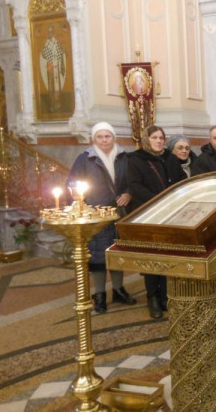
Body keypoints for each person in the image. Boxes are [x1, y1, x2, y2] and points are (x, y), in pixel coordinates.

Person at [67, 122, 136, 313]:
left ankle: (118, 290)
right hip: (95, 215)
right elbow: (72, 182)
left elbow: (133, 181)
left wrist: (129, 193)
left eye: (107, 136)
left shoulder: (124, 157)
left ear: (113, 138)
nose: (104, 140)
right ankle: (99, 294)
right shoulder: (85, 159)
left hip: (119, 214)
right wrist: (79, 200)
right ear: (94, 139)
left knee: (117, 254)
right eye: (100, 136)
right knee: (98, 257)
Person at [127, 125, 185, 318]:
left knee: (167, 255)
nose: (159, 141)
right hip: (149, 213)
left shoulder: (170, 158)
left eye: (161, 138)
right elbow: (134, 186)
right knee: (151, 257)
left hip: (170, 213)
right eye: (154, 138)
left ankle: (165, 295)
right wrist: (158, 201)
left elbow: (181, 180)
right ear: (146, 139)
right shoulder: (136, 159)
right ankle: (152, 297)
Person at [40, 25, 66, 112]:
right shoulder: (47, 43)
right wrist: (43, 52)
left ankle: (58, 103)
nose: (50, 33)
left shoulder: (56, 42)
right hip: (50, 67)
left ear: (53, 32)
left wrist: (62, 52)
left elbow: (59, 54)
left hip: (56, 67)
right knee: (51, 86)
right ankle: (52, 104)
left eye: (51, 31)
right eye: (49, 32)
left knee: (57, 85)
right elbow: (45, 56)